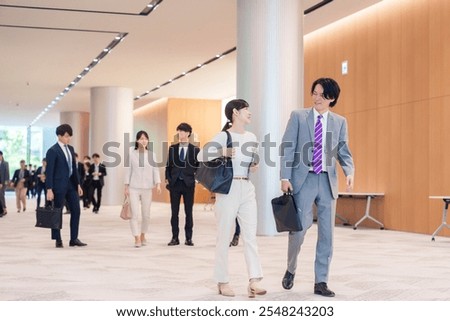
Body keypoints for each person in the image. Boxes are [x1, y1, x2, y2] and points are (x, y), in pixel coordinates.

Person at [280, 77, 355, 297]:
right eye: (314, 93)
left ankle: (321, 281)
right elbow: (287, 147)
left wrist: (349, 171)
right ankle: (291, 269)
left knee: (327, 235)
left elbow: (343, 151)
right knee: (299, 230)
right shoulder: (298, 117)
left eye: (322, 95)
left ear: (332, 98)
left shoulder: (339, 122)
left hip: (327, 181)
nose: (317, 98)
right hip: (304, 180)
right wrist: (285, 177)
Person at [197, 99, 266, 298]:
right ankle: (222, 281)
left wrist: (254, 165)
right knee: (224, 236)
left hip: (246, 187)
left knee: (250, 236)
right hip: (228, 189)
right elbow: (201, 156)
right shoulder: (223, 136)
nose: (250, 113)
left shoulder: (252, 136)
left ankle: (254, 280)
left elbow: (254, 160)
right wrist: (223, 151)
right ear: (235, 112)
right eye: (246, 109)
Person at [45, 124, 86, 248]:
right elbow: (49, 171)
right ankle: (58, 239)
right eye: (67, 136)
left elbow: (74, 168)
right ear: (59, 136)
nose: (69, 139)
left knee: (76, 210)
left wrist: (78, 184)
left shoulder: (71, 149)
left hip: (71, 185)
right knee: (57, 212)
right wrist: (49, 189)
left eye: (70, 136)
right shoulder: (52, 151)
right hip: (58, 186)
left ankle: (74, 239)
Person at [124, 130, 161, 247]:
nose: (143, 140)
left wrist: (158, 184)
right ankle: (136, 237)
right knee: (134, 214)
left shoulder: (152, 155)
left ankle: (143, 234)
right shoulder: (131, 154)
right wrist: (126, 187)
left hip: (147, 188)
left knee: (146, 214)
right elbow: (128, 171)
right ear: (137, 140)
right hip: (133, 188)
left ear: (148, 140)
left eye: (145, 138)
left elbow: (155, 170)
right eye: (141, 138)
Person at [165, 122, 200, 246]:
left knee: (188, 212)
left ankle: (188, 238)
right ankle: (175, 237)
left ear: (188, 133)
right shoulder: (172, 148)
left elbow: (199, 166)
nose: (181, 133)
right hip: (175, 184)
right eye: (179, 131)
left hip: (188, 184)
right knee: (174, 212)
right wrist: (168, 179)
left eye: (183, 131)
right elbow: (168, 166)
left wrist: (196, 179)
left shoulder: (195, 149)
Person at [0, 151, 10, 215]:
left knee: (1, 195)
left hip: (3, 183)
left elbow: (7, 173)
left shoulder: (5, 163)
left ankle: (4, 208)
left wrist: (6, 182)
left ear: (1, 155)